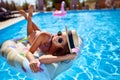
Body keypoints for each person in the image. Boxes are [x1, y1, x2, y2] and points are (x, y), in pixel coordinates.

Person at [19, 5, 83, 73]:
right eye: (59, 33)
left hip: (41, 38)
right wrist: (32, 60)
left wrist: (66, 57)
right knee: (31, 32)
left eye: (60, 40)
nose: (56, 37)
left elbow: (42, 59)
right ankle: (29, 16)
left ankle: (28, 18)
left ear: (62, 47)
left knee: (40, 33)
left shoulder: (58, 51)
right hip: (34, 37)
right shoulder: (46, 36)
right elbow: (29, 52)